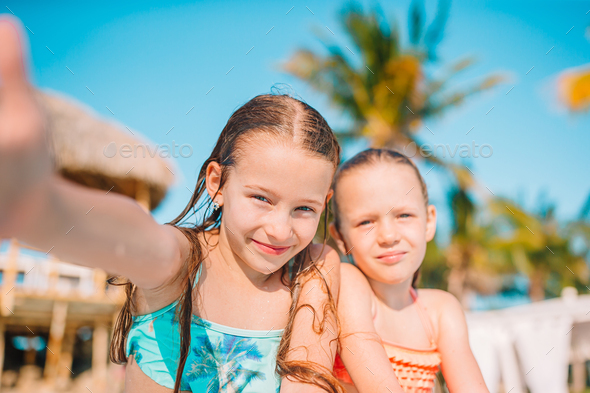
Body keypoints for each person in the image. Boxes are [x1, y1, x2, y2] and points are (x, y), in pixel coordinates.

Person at [0, 15, 348, 393]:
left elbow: (310, 381)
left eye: (304, 209)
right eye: (261, 198)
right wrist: (42, 210)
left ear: (325, 202)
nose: (281, 229)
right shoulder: (184, 262)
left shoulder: (312, 268)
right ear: (217, 183)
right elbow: (137, 239)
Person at [328, 148, 489, 393]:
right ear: (340, 237)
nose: (389, 236)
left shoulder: (441, 311)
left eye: (404, 215)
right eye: (366, 222)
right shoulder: (349, 286)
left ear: (429, 222)